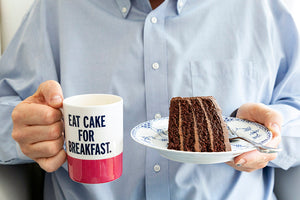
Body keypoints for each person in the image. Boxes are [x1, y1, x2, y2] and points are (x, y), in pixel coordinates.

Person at [1, 0, 300, 199]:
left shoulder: (260, 9)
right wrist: (25, 132)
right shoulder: (55, 10)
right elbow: (7, 109)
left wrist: (273, 134)